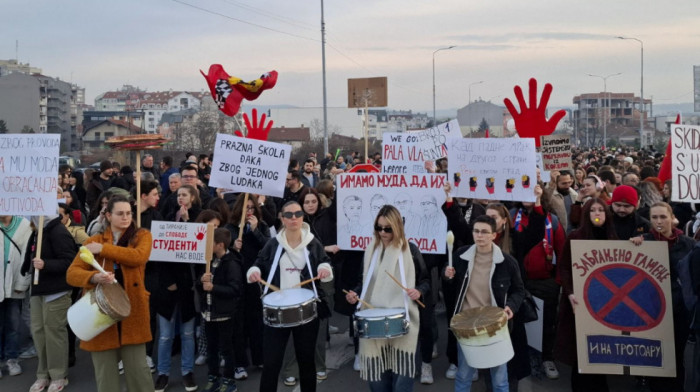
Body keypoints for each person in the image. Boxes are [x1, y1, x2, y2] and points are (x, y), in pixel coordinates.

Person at [66, 195, 153, 392]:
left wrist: (103, 249)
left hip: (132, 314)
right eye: (120, 213)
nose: (125, 217)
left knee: (139, 374)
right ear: (108, 215)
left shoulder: (141, 236)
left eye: (129, 213)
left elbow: (138, 257)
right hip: (100, 316)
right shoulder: (93, 240)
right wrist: (93, 278)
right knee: (106, 378)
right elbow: (72, 274)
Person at [247, 201, 333, 392]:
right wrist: (254, 272)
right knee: (271, 364)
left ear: (302, 216)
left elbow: (324, 262)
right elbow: (259, 262)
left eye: (297, 214)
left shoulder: (312, 242)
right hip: (277, 309)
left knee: (306, 362)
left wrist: (323, 269)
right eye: (288, 215)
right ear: (282, 218)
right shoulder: (274, 243)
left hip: (306, 309)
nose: (293, 218)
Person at [345, 205, 430, 392]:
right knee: (378, 381)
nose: (382, 232)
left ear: (397, 226)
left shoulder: (410, 250)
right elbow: (364, 281)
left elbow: (425, 280)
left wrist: (418, 291)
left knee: (401, 382)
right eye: (378, 227)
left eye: (387, 228)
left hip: (402, 318)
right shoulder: (371, 250)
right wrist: (356, 294)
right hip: (374, 318)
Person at [443, 215, 525, 392]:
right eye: (476, 231)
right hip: (466, 324)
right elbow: (449, 286)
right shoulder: (460, 256)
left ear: (494, 235)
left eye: (484, 232)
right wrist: (447, 276)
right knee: (464, 375)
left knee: (500, 379)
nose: (479, 235)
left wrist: (511, 306)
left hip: (494, 326)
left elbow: (519, 290)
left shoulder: (507, 262)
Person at [555, 198, 616, 391]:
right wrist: (570, 293)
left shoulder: (613, 238)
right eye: (593, 210)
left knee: (601, 350)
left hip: (606, 305)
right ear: (586, 214)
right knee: (581, 352)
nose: (597, 214)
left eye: (601, 210)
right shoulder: (575, 237)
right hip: (579, 303)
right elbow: (564, 268)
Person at [21, 208, 82, 392]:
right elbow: (31, 255)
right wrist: (26, 267)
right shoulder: (38, 231)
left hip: (57, 291)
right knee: (39, 332)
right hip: (39, 290)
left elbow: (70, 261)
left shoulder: (58, 231)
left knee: (54, 334)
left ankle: (58, 375)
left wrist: (46, 264)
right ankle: (43, 374)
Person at [639, 202, 694, 392]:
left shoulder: (688, 244)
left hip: (680, 309)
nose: (659, 221)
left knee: (677, 354)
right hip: (651, 308)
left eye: (663, 217)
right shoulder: (643, 241)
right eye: (654, 217)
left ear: (672, 218)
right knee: (655, 353)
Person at [223, 194, 270, 378]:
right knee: (238, 323)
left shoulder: (262, 225)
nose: (249, 211)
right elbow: (223, 252)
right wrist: (233, 246)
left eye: (252, 208)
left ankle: (259, 357)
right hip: (237, 280)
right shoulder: (230, 228)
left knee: (257, 320)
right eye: (246, 208)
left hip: (256, 279)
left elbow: (268, 248)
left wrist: (256, 230)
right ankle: (239, 364)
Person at [196, 228, 243, 392]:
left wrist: (213, 287)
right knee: (211, 348)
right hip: (209, 313)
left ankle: (229, 381)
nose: (206, 246)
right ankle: (213, 377)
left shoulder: (231, 263)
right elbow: (200, 286)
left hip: (224, 315)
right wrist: (201, 281)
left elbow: (235, 289)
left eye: (210, 243)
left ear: (220, 245)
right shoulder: (209, 260)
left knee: (226, 349)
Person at [0, 215, 32, 378]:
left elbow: (28, 255)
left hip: (14, 282)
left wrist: (22, 283)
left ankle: (12, 359)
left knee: (13, 325)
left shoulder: (24, 225)